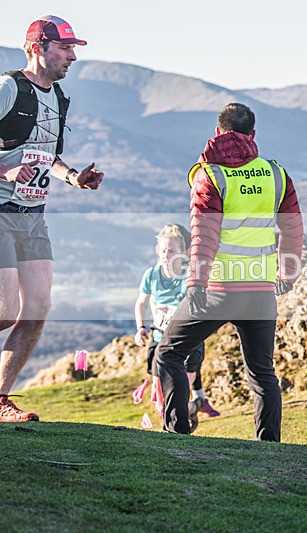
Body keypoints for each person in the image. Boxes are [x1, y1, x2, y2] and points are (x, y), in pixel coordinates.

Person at [154, 103, 303, 440]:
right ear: (252, 135)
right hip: (261, 291)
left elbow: (204, 233)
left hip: (219, 288)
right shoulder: (276, 174)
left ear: (218, 132)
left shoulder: (210, 174)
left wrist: (196, 282)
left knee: (168, 354)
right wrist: (287, 275)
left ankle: (176, 434)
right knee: (262, 373)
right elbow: (294, 231)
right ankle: (270, 446)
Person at [0, 16, 103, 423]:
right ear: (38, 47)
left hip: (33, 215)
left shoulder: (58, 97)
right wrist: (4, 172)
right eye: (65, 48)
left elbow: (47, 156)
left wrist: (74, 177)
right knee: (6, 311)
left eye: (74, 48)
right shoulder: (9, 88)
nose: (73, 56)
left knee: (37, 310)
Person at [133, 224, 220, 426]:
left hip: (188, 340)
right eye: (163, 250)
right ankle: (192, 408)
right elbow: (141, 303)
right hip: (159, 338)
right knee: (160, 396)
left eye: (171, 251)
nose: (166, 255)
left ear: (183, 252)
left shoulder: (189, 274)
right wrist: (140, 327)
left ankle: (181, 420)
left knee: (178, 390)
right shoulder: (152, 275)